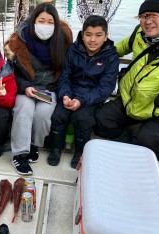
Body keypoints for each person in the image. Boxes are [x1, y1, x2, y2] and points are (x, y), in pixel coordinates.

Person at [95, 0, 159, 160]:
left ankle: (155, 162)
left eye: (154, 15)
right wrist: (90, 54)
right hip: (129, 100)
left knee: (147, 140)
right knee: (101, 118)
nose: (147, 21)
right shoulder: (139, 33)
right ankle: (127, 147)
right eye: (144, 16)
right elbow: (116, 49)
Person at [4, 3, 73, 175]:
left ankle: (34, 144)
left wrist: (57, 91)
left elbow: (65, 73)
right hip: (25, 87)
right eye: (41, 20)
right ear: (33, 21)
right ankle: (19, 154)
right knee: (24, 109)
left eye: (50, 22)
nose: (45, 25)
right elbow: (11, 74)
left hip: (48, 89)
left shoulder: (63, 42)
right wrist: (25, 87)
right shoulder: (18, 42)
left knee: (43, 115)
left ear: (56, 24)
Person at [48, 15, 119, 168]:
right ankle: (55, 148)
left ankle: (80, 152)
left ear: (106, 36)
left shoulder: (111, 56)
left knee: (83, 117)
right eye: (88, 34)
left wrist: (82, 100)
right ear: (82, 34)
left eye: (98, 35)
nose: (92, 40)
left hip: (91, 97)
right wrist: (65, 95)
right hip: (71, 92)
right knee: (58, 114)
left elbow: (106, 87)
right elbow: (64, 76)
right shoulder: (72, 50)